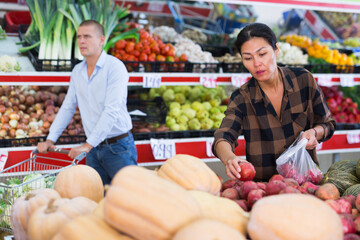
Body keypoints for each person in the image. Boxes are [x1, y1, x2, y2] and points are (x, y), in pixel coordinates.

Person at [212, 23, 335, 182]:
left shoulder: (303, 80)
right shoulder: (242, 97)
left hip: (305, 183)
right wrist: (229, 158)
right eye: (248, 58)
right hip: (264, 190)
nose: (256, 64)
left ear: (276, 49)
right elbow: (223, 137)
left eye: (262, 54)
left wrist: (314, 133)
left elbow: (327, 124)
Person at [37, 20, 137, 185]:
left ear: (101, 40)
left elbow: (111, 110)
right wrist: (50, 139)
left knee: (128, 199)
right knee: (95, 200)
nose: (82, 41)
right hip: (93, 149)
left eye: (87, 37)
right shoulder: (78, 71)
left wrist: (87, 145)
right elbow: (68, 107)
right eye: (79, 37)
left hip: (118, 147)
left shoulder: (115, 68)